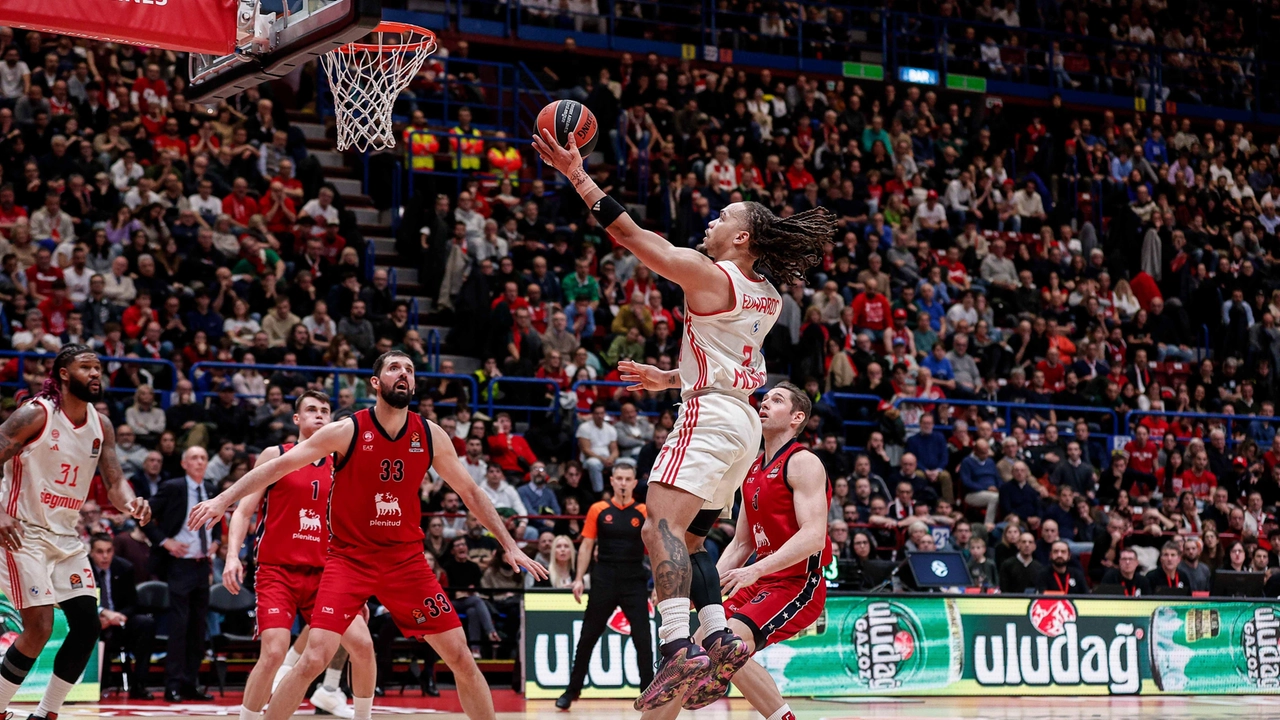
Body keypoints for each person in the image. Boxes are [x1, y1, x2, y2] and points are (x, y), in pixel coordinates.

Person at [535, 121, 834, 710]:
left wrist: (578, 176)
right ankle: (718, 634)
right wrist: (672, 377)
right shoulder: (767, 297)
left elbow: (636, 240)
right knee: (693, 546)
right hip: (741, 424)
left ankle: (677, 646)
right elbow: (735, 362)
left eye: (722, 218)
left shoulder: (711, 274)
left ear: (743, 237)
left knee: (658, 527)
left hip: (710, 416)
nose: (711, 223)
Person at [189, 351, 547, 720]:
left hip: (405, 562)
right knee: (313, 657)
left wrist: (509, 545)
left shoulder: (429, 434)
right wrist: (223, 499)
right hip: (349, 560)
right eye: (394, 368)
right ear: (376, 383)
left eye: (409, 369)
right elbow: (277, 466)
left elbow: (471, 493)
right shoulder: (348, 430)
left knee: (459, 656)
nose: (403, 373)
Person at [0, 344, 151, 717]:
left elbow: (115, 483)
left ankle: (46, 712)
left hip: (66, 538)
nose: (96, 374)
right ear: (64, 373)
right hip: (23, 533)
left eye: (98, 368)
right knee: (40, 628)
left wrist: (131, 502)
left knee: (87, 626)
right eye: (86, 367)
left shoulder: (102, 425)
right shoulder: (37, 414)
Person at [679, 382, 829, 715]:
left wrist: (757, 569)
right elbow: (741, 544)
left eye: (776, 401)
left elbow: (814, 536)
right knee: (705, 641)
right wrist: (697, 589)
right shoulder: (751, 469)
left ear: (796, 417)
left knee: (727, 645)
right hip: (759, 579)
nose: (764, 404)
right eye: (764, 399)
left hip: (797, 583)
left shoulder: (803, 462)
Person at [222, 391, 372, 720]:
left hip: (326, 574)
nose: (319, 415)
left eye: (324, 411)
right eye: (311, 410)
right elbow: (243, 510)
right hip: (277, 571)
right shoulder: (275, 455)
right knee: (274, 652)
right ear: (297, 419)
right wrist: (232, 555)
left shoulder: (343, 463)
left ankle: (350, 705)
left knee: (362, 643)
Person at [556, 463, 653, 710]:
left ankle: (648, 693)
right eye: (618, 478)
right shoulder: (598, 509)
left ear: (634, 482)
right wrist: (579, 578)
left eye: (627, 479)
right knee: (588, 636)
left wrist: (659, 584)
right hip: (604, 577)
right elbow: (587, 545)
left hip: (634, 578)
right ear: (611, 481)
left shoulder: (644, 510)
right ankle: (572, 691)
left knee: (643, 638)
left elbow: (653, 548)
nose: (622, 483)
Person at [146, 445, 219, 702]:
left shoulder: (210, 488)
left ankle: (191, 682)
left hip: (202, 565)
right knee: (180, 626)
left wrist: (217, 542)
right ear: (184, 463)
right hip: (179, 565)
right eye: (194, 458)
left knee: (198, 629)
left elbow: (217, 521)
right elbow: (144, 516)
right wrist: (165, 541)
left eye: (203, 457)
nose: (200, 462)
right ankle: (173, 685)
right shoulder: (174, 487)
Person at [90, 533, 157, 698]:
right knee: (90, 628)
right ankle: (97, 685)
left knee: (145, 623)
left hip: (119, 622)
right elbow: (79, 601)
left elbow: (133, 604)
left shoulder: (124, 567)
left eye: (108, 551)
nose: (105, 556)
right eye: (99, 551)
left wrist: (119, 616)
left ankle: (139, 685)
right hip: (92, 622)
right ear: (91, 552)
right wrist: (102, 613)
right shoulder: (83, 569)